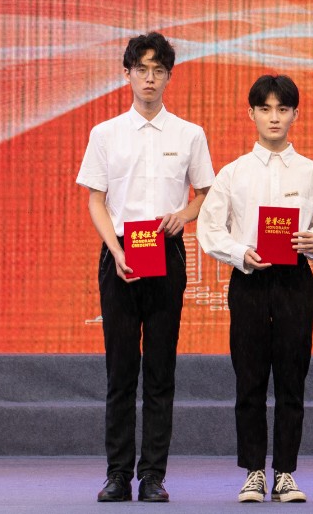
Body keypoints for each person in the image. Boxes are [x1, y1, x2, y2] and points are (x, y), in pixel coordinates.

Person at [76, 31, 214, 503]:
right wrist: (114, 250)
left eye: (158, 71)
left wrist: (185, 215)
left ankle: (153, 475)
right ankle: (117, 474)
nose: (149, 79)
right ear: (128, 74)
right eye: (141, 70)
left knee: (160, 371)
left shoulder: (189, 134)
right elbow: (96, 200)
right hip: (119, 254)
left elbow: (206, 193)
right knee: (120, 371)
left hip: (166, 253)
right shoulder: (105, 133)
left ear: (169, 76)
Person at [197, 74, 313, 504]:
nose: (274, 117)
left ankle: (286, 473)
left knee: (293, 378)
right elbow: (209, 229)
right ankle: (253, 473)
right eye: (265, 109)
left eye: (282, 109)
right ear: (252, 114)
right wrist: (240, 252)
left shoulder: (312, 172)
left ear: (295, 114)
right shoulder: (233, 173)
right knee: (250, 378)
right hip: (250, 279)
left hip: (295, 279)